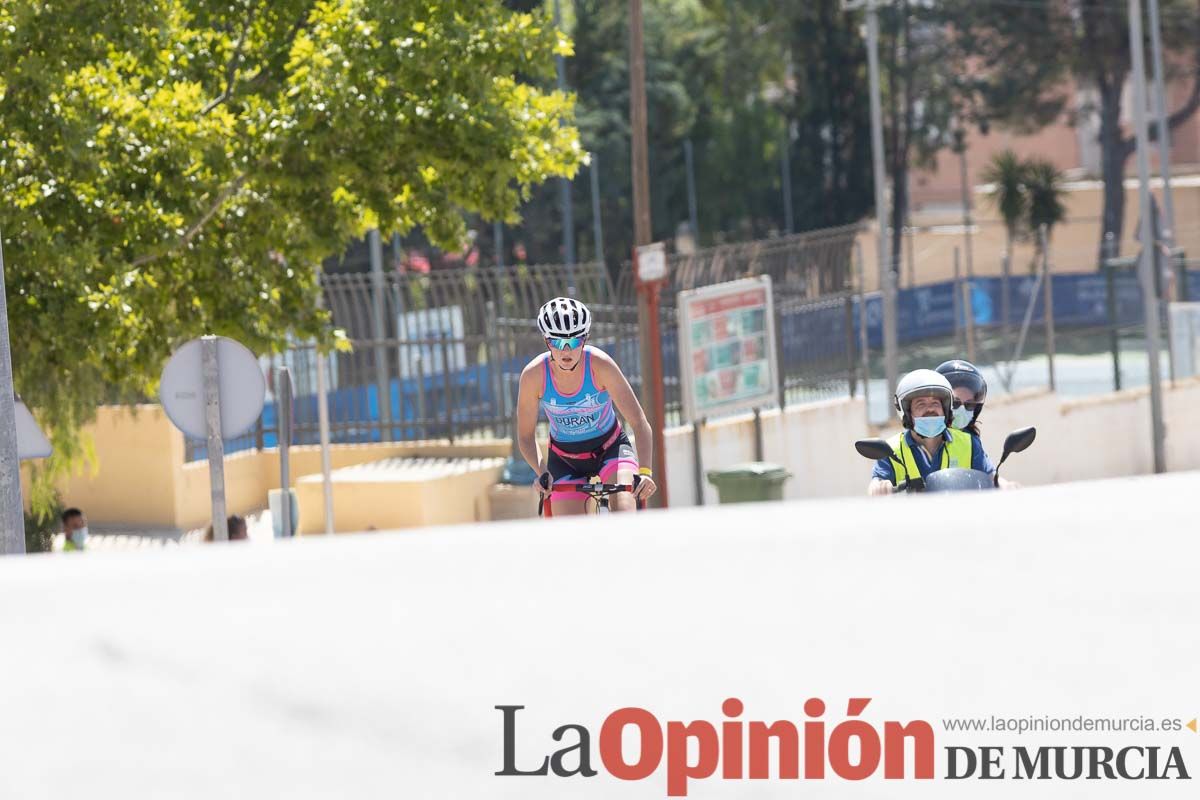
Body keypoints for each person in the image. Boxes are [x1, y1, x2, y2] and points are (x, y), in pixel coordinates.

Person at [516, 297, 657, 514]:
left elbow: (639, 421)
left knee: (625, 510)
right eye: (556, 342)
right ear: (546, 341)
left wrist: (646, 472)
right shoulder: (533, 376)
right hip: (565, 459)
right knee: (571, 534)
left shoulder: (600, 365)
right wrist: (542, 471)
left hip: (610, 449)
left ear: (585, 339)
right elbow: (525, 437)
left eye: (573, 342)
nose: (565, 351)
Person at [867, 369, 996, 496]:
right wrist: (878, 487)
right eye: (920, 404)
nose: (930, 409)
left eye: (935, 403)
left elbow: (991, 478)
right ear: (907, 413)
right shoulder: (890, 450)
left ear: (945, 409)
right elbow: (877, 482)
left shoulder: (969, 443)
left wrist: (1005, 484)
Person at [936, 359, 987, 437]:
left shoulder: (972, 439)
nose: (961, 410)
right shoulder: (925, 440)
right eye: (955, 403)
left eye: (969, 404)